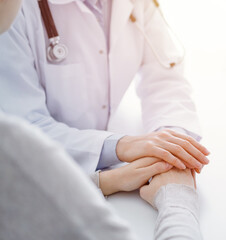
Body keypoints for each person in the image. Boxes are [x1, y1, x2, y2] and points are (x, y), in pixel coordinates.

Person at [0, 3, 202, 239]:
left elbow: (165, 81)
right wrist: (120, 146)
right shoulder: (11, 9)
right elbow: (25, 129)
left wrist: (172, 147)